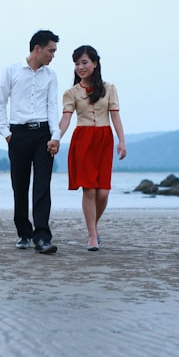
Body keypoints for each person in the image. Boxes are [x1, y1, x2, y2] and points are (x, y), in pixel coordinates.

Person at [0, 29, 62, 254]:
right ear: (37, 48)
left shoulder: (51, 76)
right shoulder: (11, 70)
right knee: (20, 186)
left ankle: (42, 237)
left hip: (43, 134)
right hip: (18, 134)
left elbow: (52, 107)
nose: (53, 55)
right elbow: (0, 102)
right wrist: (6, 132)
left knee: (42, 186)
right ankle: (24, 232)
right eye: (50, 50)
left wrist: (55, 136)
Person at [57, 45, 126, 251]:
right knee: (89, 189)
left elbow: (115, 116)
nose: (81, 67)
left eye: (84, 62)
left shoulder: (109, 88)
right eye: (77, 63)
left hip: (104, 139)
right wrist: (56, 137)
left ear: (95, 64)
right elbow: (66, 119)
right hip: (83, 139)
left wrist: (122, 141)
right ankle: (92, 236)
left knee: (103, 192)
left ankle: (93, 225)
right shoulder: (71, 92)